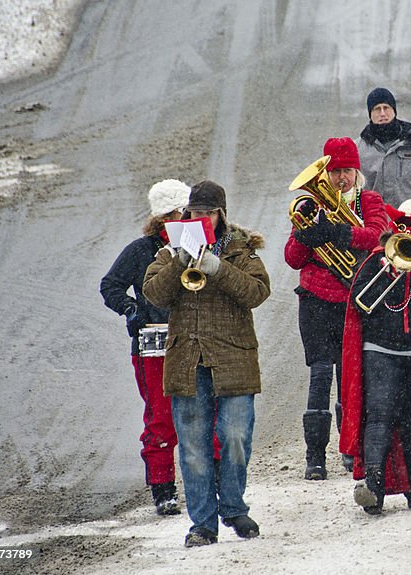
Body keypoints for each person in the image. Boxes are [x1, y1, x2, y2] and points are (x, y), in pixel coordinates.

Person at [142, 180, 270, 547]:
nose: (200, 218)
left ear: (220, 214)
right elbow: (154, 294)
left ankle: (233, 506)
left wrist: (218, 268)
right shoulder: (170, 250)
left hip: (234, 357)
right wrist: (180, 261)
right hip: (187, 361)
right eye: (194, 212)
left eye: (207, 212)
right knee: (194, 449)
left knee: (234, 436)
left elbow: (258, 292)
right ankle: (203, 523)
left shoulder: (240, 248)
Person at [338, 198, 411, 515]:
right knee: (379, 415)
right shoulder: (378, 259)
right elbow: (360, 304)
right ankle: (373, 489)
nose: (408, 233)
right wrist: (387, 271)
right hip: (380, 348)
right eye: (402, 228)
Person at [284, 137, 390, 480]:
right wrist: (305, 235)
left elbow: (377, 236)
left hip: (353, 302)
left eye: (346, 171)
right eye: (334, 172)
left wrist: (337, 231)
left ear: (356, 172)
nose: (340, 178)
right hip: (315, 301)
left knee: (350, 377)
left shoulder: (368, 200)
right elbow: (291, 258)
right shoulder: (310, 205)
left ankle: (349, 449)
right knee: (318, 376)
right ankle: (315, 456)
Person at [100, 179, 191, 516]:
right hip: (153, 343)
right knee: (161, 418)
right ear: (160, 217)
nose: (179, 219)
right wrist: (131, 309)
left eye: (184, 212)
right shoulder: (140, 250)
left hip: (193, 339)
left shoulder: (202, 244)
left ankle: (208, 480)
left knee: (204, 414)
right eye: (172, 214)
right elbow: (110, 286)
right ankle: (163, 489)